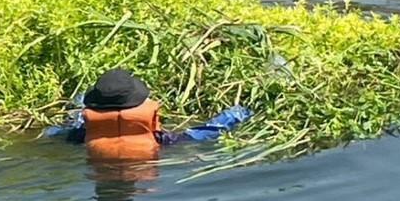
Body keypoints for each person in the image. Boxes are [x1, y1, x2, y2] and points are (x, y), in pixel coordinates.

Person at [46, 68, 249, 162]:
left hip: (93, 158)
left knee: (74, 114)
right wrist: (237, 112)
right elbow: (208, 131)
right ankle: (242, 111)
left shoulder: (78, 135)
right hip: (150, 155)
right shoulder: (161, 140)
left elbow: (52, 132)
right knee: (213, 127)